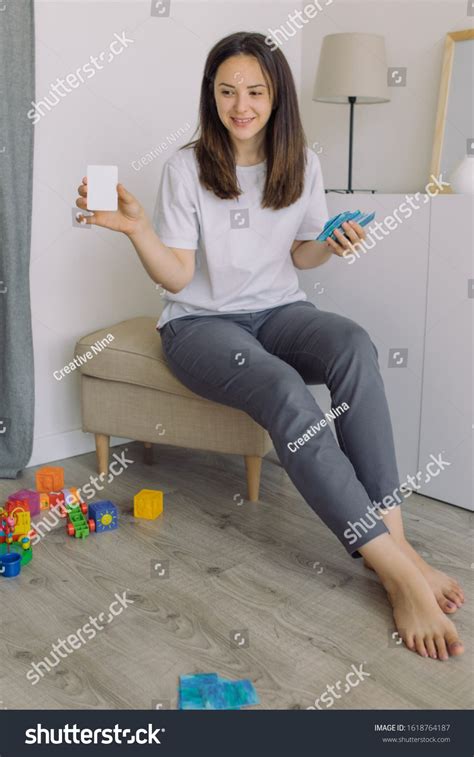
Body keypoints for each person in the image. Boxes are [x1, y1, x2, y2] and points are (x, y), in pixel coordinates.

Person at [76, 31, 464, 660]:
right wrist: (138, 229)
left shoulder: (302, 161)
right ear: (212, 95)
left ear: (276, 94)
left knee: (353, 346)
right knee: (284, 389)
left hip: (280, 310)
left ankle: (394, 541)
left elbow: (300, 255)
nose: (241, 105)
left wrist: (330, 243)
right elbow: (176, 277)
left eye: (255, 91)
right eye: (226, 91)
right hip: (200, 326)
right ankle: (398, 572)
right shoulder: (186, 167)